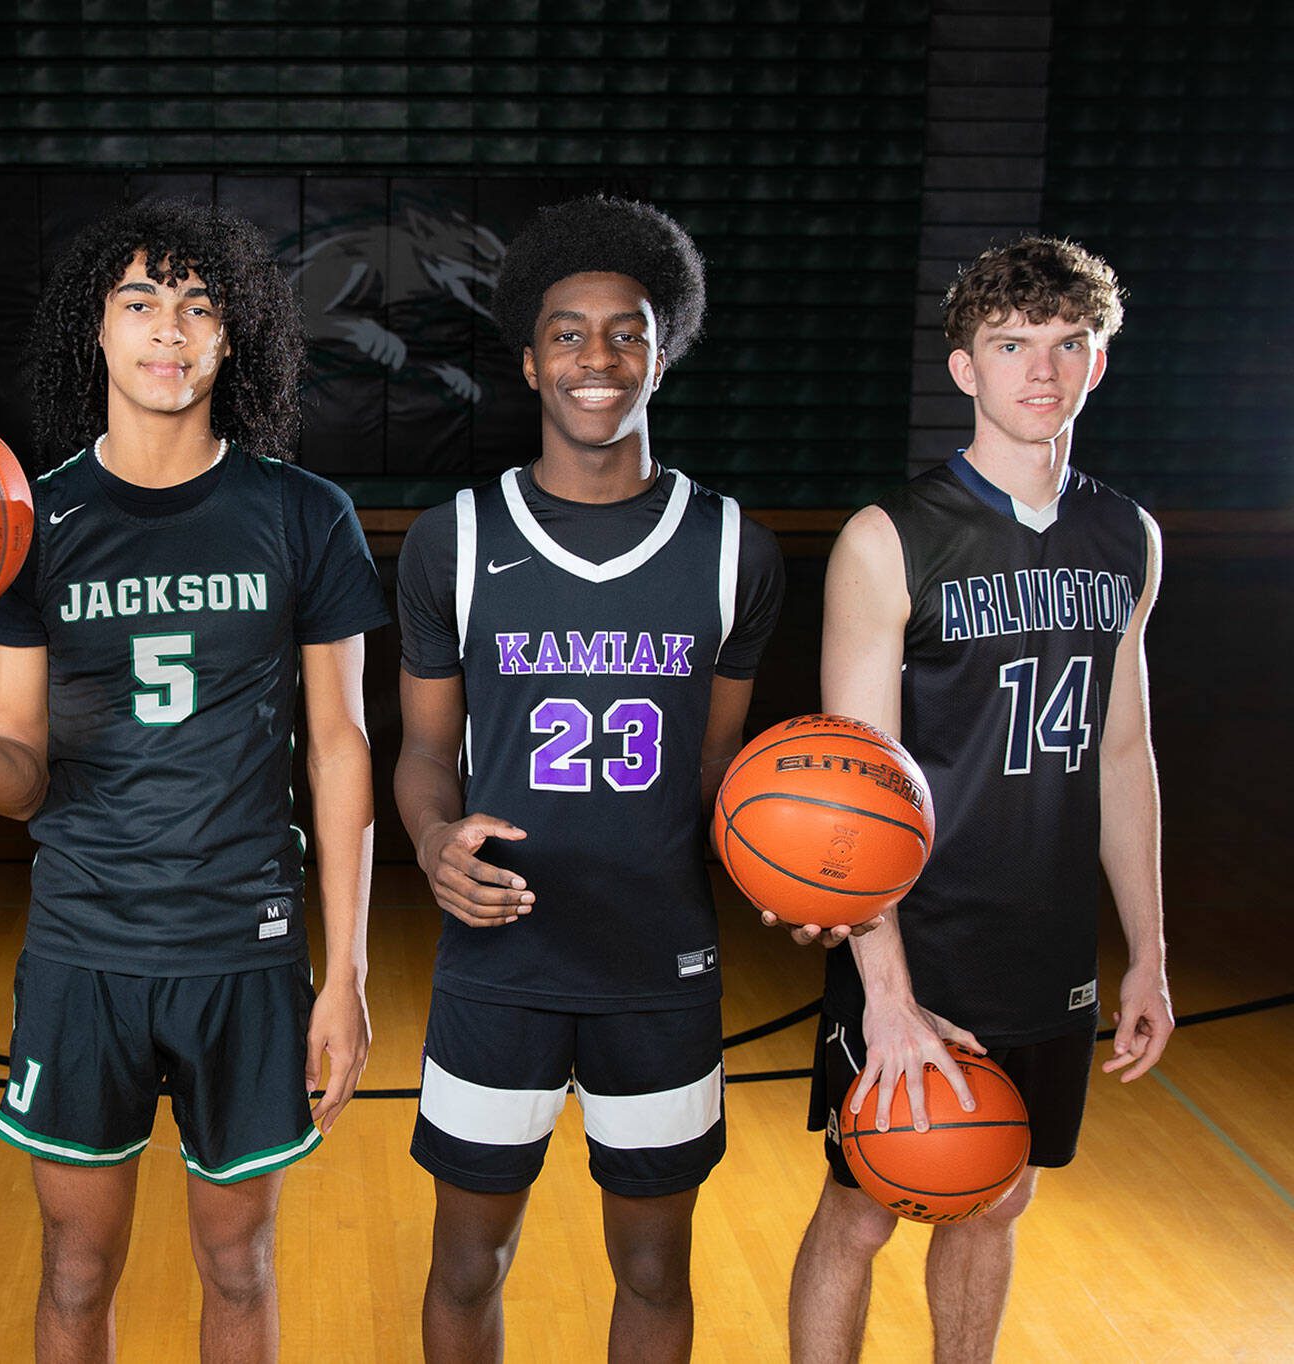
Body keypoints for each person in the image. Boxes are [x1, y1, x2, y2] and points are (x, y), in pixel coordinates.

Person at [0, 199, 389, 1362]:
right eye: (139, 301)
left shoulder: (303, 515)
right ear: (91, 331)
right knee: (76, 1265)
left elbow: (340, 746)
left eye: (199, 305)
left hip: (242, 949)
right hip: (83, 944)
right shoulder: (22, 524)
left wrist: (342, 974)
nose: (168, 328)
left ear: (233, 334)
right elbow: (19, 777)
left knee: (238, 1262)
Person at [394, 194, 785, 1362]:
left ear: (662, 354)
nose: (597, 358)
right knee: (466, 1261)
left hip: (657, 963)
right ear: (527, 357)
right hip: (497, 960)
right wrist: (429, 845)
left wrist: (794, 871)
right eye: (568, 333)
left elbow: (720, 778)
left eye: (627, 332)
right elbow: (423, 754)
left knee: (655, 1266)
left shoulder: (732, 552)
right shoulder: (451, 540)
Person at [787, 237, 1172, 1363]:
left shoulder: (1126, 536)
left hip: (1045, 940)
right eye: (1009, 346)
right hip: (922, 937)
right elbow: (849, 808)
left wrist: (1145, 949)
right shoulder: (887, 538)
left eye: (1066, 346)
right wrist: (887, 995)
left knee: (998, 1190)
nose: (1038, 372)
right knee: (862, 1203)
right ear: (963, 367)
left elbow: (1121, 752)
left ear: (1096, 364)